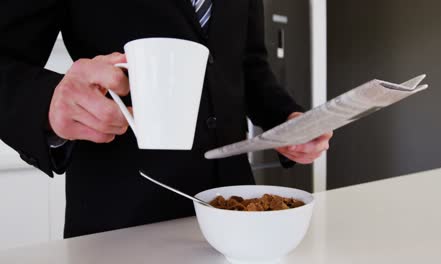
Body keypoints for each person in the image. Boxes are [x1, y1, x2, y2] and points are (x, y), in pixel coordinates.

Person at [0, 0, 332, 238]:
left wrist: (287, 119)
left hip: (236, 217)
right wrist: (49, 102)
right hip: (121, 221)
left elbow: (247, 64)